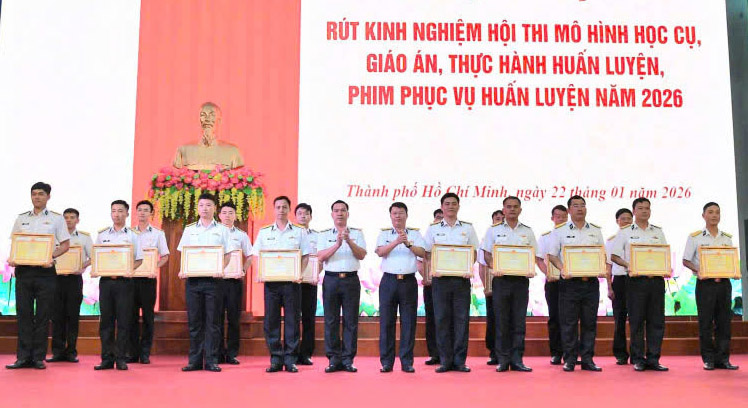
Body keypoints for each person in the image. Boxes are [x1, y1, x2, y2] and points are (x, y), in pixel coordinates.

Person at [6, 182, 70, 370]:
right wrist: (13, 258)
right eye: (34, 194)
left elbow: (65, 245)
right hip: (24, 271)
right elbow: (15, 243)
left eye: (41, 194)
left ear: (48, 196)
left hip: (45, 272)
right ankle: (22, 357)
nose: (37, 197)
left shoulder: (56, 219)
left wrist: (51, 257)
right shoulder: (21, 218)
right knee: (23, 314)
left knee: (43, 315)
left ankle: (38, 358)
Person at [482, 197, 544, 372]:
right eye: (508, 207)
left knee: (519, 321)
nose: (512, 209)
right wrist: (495, 266)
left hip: (520, 281)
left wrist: (530, 268)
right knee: (501, 321)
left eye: (515, 207)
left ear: (520, 210)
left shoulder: (528, 231)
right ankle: (502, 360)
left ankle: (517, 359)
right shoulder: (493, 230)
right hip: (501, 280)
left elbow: (534, 255)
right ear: (503, 210)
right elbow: (487, 255)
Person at [252, 196, 310, 373]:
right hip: (272, 284)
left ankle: (291, 359)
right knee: (272, 321)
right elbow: (256, 255)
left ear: (289, 209)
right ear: (274, 209)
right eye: (278, 207)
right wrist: (260, 273)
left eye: (284, 207)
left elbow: (305, 256)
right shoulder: (264, 232)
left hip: (292, 283)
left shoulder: (299, 231)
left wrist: (299, 273)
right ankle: (276, 359)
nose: (281, 210)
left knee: (292, 320)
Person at [611, 197, 669, 372]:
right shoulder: (625, 232)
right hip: (635, 281)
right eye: (641, 208)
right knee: (636, 321)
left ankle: (654, 359)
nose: (644, 211)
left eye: (647, 208)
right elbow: (614, 256)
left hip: (656, 281)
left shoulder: (658, 231)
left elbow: (663, 254)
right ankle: (638, 359)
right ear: (634, 211)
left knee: (656, 321)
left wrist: (666, 266)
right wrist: (629, 265)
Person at [548, 195, 605, 372]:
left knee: (589, 322)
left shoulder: (595, 230)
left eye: (582, 205)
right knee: (569, 323)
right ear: (569, 210)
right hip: (569, 283)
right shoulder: (560, 231)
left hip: (590, 283)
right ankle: (570, 359)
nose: (580, 208)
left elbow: (601, 254)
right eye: (576, 205)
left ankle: (588, 359)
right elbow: (552, 255)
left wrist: (600, 267)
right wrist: (562, 268)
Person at [177, 193, 233, 373]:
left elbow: (228, 255)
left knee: (213, 322)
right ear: (197, 208)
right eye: (201, 205)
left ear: (215, 208)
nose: (205, 208)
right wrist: (183, 269)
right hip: (193, 282)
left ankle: (211, 360)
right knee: (195, 322)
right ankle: (194, 361)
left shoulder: (223, 230)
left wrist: (220, 268)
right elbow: (184, 253)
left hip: (214, 282)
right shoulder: (189, 230)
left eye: (209, 205)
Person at [423, 193, 479, 373]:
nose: (450, 206)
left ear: (458, 206)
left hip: (461, 280)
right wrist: (434, 267)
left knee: (461, 320)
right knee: (442, 320)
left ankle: (460, 361)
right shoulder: (433, 229)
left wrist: (467, 267)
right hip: (440, 280)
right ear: (442, 207)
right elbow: (427, 253)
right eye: (447, 204)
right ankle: (445, 361)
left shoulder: (468, 228)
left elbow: (474, 252)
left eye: (454, 203)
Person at [682, 202, 739, 370]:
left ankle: (723, 359)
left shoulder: (726, 238)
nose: (714, 215)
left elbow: (730, 260)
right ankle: (708, 359)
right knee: (706, 322)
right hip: (705, 284)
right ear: (703, 215)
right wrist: (698, 270)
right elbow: (686, 260)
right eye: (711, 212)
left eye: (717, 212)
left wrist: (734, 270)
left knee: (724, 322)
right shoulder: (695, 237)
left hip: (724, 284)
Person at [375, 202, 426, 373]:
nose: (398, 216)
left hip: (408, 282)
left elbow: (423, 253)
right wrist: (397, 241)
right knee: (386, 322)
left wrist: (408, 244)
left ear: (406, 215)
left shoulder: (415, 234)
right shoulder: (384, 234)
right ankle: (386, 362)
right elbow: (380, 252)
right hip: (388, 281)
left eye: (401, 213)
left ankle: (407, 362)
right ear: (390, 216)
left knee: (408, 322)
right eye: (395, 213)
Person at [317, 200, 367, 373]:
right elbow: (321, 256)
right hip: (331, 280)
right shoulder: (324, 234)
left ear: (348, 214)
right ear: (332, 214)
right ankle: (333, 359)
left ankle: (348, 359)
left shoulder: (357, 233)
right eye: (336, 210)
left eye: (343, 210)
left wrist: (349, 241)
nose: (340, 213)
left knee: (350, 321)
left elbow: (362, 255)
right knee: (331, 320)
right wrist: (337, 244)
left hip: (351, 280)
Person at [93, 200, 144, 371]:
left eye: (120, 211)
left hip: (124, 283)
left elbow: (139, 259)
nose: (117, 214)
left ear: (127, 214)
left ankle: (121, 358)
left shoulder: (133, 235)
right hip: (106, 282)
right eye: (114, 211)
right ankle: (106, 359)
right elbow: (97, 257)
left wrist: (129, 270)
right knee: (106, 322)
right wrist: (96, 269)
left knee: (123, 321)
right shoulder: (102, 235)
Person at [47, 208, 92, 363]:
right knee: (56, 317)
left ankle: (71, 351)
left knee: (72, 316)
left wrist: (82, 266)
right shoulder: (53, 236)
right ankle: (57, 352)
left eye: (72, 217)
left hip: (74, 280)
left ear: (77, 220)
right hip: (56, 279)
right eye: (66, 217)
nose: (68, 220)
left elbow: (93, 257)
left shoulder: (84, 237)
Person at [128, 200, 170, 365]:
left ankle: (145, 353)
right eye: (140, 210)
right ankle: (132, 353)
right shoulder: (129, 233)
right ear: (136, 212)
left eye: (146, 210)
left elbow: (165, 256)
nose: (142, 213)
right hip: (131, 280)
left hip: (148, 280)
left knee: (148, 317)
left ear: (151, 213)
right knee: (130, 317)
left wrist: (155, 267)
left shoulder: (158, 234)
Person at [217, 202, 251, 365]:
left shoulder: (241, 235)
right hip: (216, 281)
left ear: (235, 216)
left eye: (231, 212)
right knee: (215, 318)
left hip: (234, 282)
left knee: (233, 318)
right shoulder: (213, 233)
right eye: (224, 212)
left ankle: (231, 353)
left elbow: (250, 256)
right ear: (219, 215)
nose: (227, 216)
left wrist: (243, 270)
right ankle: (217, 353)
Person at [536, 204, 567, 365]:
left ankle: (570, 353)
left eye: (564, 216)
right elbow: (539, 259)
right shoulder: (546, 237)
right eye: (558, 216)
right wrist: (547, 273)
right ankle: (556, 353)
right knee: (554, 317)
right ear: (552, 218)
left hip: (571, 282)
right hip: (554, 282)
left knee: (570, 318)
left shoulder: (573, 235)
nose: (561, 219)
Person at [172, 102, 244, 170]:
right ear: (199, 120)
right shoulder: (184, 150)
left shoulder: (232, 151)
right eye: (203, 115)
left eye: (212, 115)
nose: (207, 119)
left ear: (219, 120)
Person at [607, 208, 633, 365]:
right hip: (619, 282)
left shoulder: (637, 238)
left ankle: (636, 354)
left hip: (635, 281)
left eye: (629, 218)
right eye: (623, 219)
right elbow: (608, 266)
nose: (627, 221)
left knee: (636, 319)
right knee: (620, 319)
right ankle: (620, 354)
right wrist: (609, 287)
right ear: (617, 221)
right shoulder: (611, 241)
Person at [294, 202, 319, 365]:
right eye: (300, 213)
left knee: (309, 318)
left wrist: (317, 273)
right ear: (295, 216)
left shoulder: (317, 236)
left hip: (310, 282)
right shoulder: (290, 234)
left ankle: (306, 353)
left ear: (310, 216)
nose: (303, 216)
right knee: (293, 319)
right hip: (292, 282)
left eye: (306, 213)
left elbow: (320, 258)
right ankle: (292, 352)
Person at [419, 208, 443, 366]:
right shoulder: (427, 239)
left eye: (442, 218)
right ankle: (434, 353)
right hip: (431, 285)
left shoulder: (452, 239)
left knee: (447, 318)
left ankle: (449, 353)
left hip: (449, 283)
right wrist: (427, 277)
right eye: (437, 217)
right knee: (432, 319)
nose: (439, 220)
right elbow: (420, 262)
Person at [484, 209, 504, 365]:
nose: (500, 220)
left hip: (512, 283)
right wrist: (487, 287)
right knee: (493, 320)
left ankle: (507, 353)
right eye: (497, 218)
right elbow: (482, 265)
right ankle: (494, 352)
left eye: (502, 218)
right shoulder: (488, 237)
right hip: (493, 285)